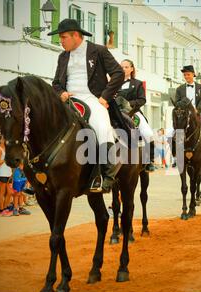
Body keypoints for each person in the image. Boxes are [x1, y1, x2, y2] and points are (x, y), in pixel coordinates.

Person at [50, 18, 124, 193]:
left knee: (101, 125)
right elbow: (56, 83)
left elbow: (118, 73)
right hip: (68, 100)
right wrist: (61, 93)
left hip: (92, 98)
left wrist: (105, 97)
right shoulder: (63, 56)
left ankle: (107, 174)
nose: (61, 41)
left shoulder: (98, 50)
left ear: (76, 35)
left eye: (63, 37)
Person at [117, 59, 155, 172]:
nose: (123, 69)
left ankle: (149, 160)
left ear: (132, 69)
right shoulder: (114, 83)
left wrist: (129, 104)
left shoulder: (137, 83)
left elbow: (142, 100)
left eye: (126, 67)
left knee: (148, 133)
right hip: (117, 112)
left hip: (133, 112)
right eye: (122, 67)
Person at [0, 134, 13, 216]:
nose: (5, 140)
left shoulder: (7, 149)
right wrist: (5, 159)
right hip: (1, 173)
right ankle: (1, 209)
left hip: (8, 173)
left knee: (9, 192)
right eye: (3, 139)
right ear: (0, 140)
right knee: (2, 192)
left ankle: (5, 208)